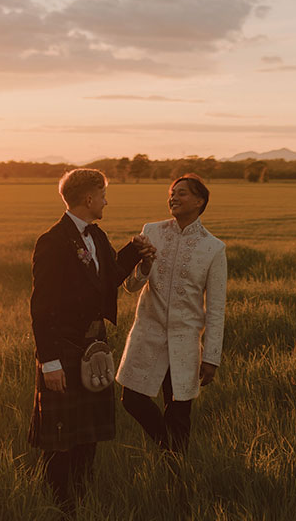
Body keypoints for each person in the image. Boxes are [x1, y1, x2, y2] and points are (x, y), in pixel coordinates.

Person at [27, 168, 153, 512]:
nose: (106, 201)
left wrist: (134, 251)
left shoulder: (96, 236)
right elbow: (41, 307)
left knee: (88, 436)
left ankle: (82, 500)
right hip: (64, 352)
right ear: (88, 198)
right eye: (103, 195)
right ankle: (58, 506)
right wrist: (49, 362)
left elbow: (108, 277)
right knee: (61, 437)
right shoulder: (52, 241)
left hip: (94, 348)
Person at [116, 174, 226, 455]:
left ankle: (177, 475)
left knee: (178, 413)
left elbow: (215, 307)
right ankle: (171, 450)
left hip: (184, 342)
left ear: (200, 201)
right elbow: (130, 286)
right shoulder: (151, 231)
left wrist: (211, 357)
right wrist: (144, 265)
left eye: (183, 193)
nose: (173, 197)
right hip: (147, 335)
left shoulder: (213, 248)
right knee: (132, 399)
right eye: (172, 192)